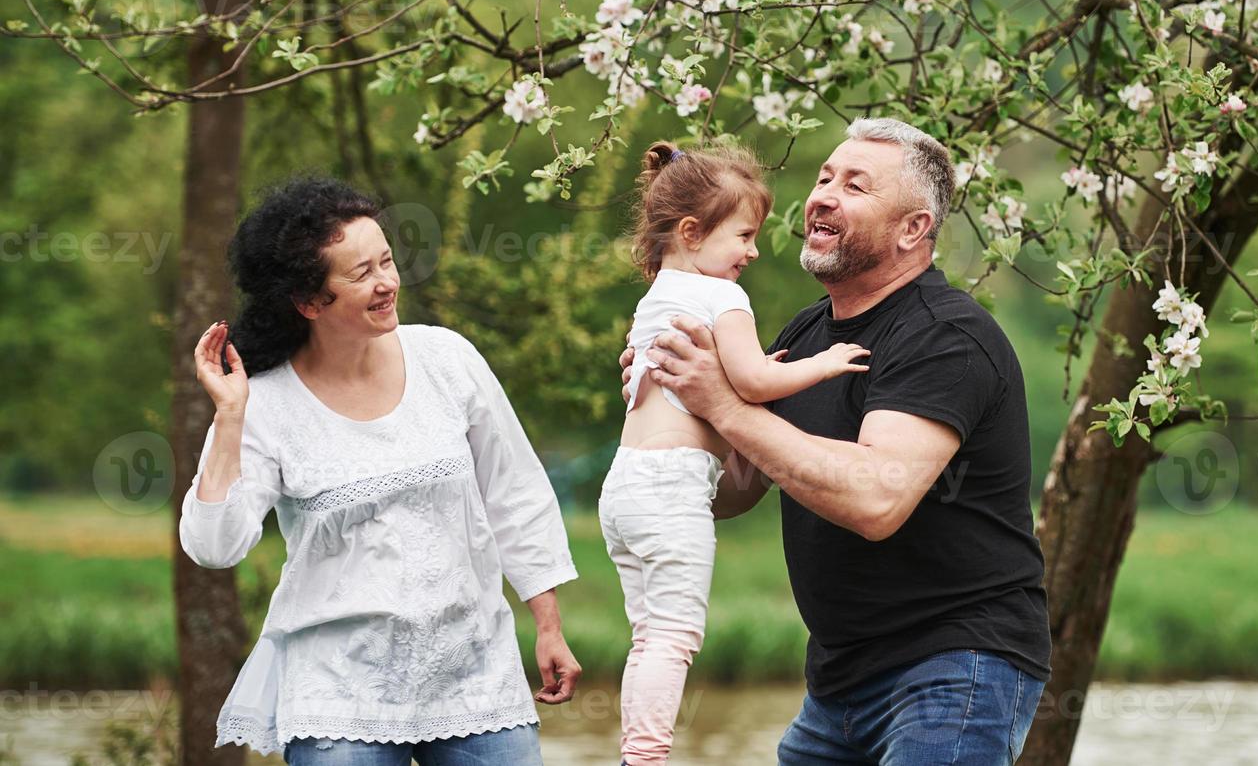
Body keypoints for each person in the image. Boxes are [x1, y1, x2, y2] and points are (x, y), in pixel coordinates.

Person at [622, 118, 1052, 765]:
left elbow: (874, 501)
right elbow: (736, 487)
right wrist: (675, 419)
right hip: (837, 679)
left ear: (913, 229)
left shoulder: (946, 336)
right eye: (824, 178)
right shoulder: (806, 333)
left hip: (955, 664)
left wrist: (723, 405)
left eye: (854, 186)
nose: (821, 196)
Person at [179, 176, 581, 766]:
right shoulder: (263, 403)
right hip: (339, 694)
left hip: (473, 676)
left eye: (387, 261)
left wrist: (547, 624)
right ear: (310, 301)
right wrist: (232, 416)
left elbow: (515, 494)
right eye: (361, 273)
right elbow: (216, 547)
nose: (387, 282)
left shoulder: (447, 358)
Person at [602, 140, 870, 766]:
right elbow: (749, 384)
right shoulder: (723, 298)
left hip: (624, 488)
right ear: (693, 233)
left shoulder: (656, 297)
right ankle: (644, 759)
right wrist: (821, 364)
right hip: (673, 491)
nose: (752, 251)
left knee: (649, 637)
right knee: (674, 637)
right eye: (744, 236)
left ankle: (634, 753)